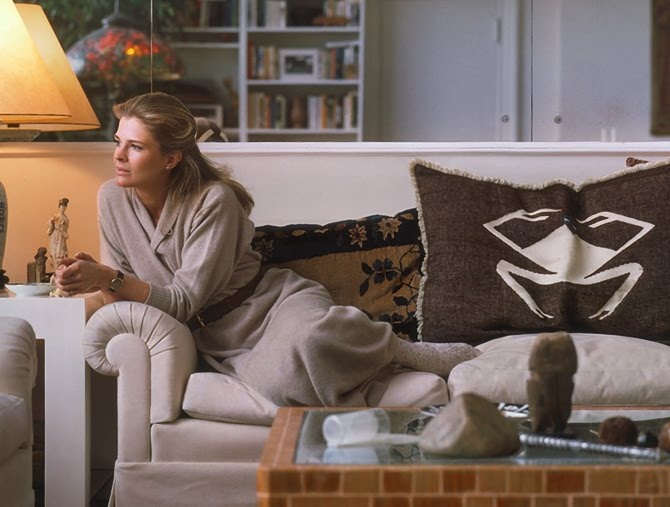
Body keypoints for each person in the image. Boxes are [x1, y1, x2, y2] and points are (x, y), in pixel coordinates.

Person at [53, 92, 479, 407]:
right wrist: (89, 277)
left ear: (171, 159)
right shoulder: (110, 198)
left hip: (270, 306)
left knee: (313, 339)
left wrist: (108, 279)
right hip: (216, 337)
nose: (118, 156)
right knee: (281, 386)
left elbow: (182, 299)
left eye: (135, 146)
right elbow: (121, 289)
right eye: (117, 142)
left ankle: (399, 350)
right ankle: (371, 367)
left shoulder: (213, 200)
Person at [47, 197, 69, 272]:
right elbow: (50, 227)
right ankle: (55, 270)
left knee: (60, 253)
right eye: (61, 206)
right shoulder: (55, 216)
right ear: (59, 207)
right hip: (54, 236)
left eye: (64, 207)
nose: (62, 208)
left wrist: (62, 227)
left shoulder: (65, 219)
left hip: (61, 237)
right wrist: (52, 222)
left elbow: (65, 230)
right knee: (53, 253)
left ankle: (59, 270)